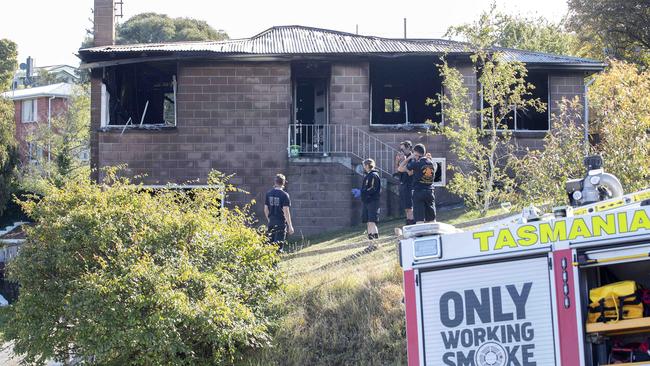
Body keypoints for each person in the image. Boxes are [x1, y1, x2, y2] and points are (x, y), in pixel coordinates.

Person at [399, 144, 436, 223]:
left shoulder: (416, 163)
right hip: (430, 191)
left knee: (419, 219)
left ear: (415, 153)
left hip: (419, 192)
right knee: (431, 219)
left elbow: (400, 168)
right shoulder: (432, 163)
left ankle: (421, 234)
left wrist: (409, 158)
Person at [264, 174, 294, 252]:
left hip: (271, 223)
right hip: (280, 224)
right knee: (278, 247)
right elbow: (286, 211)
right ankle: (275, 264)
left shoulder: (268, 193)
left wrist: (269, 219)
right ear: (283, 183)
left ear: (275, 182)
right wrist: (290, 226)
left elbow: (265, 209)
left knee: (270, 246)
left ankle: (270, 263)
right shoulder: (285, 195)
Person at [394, 140, 415, 225]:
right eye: (400, 150)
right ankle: (409, 220)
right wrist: (397, 161)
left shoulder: (412, 158)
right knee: (406, 207)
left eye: (403, 149)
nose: (401, 152)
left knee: (410, 206)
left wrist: (404, 161)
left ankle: (411, 222)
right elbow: (398, 170)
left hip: (410, 184)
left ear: (409, 148)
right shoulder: (402, 158)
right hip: (403, 183)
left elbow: (410, 172)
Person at [361, 158, 381, 240]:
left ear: (367, 165)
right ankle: (370, 242)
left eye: (364, 166)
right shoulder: (368, 175)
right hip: (367, 201)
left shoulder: (374, 175)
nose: (364, 167)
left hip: (373, 201)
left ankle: (375, 242)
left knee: (372, 222)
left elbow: (373, 188)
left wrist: (363, 192)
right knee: (368, 222)